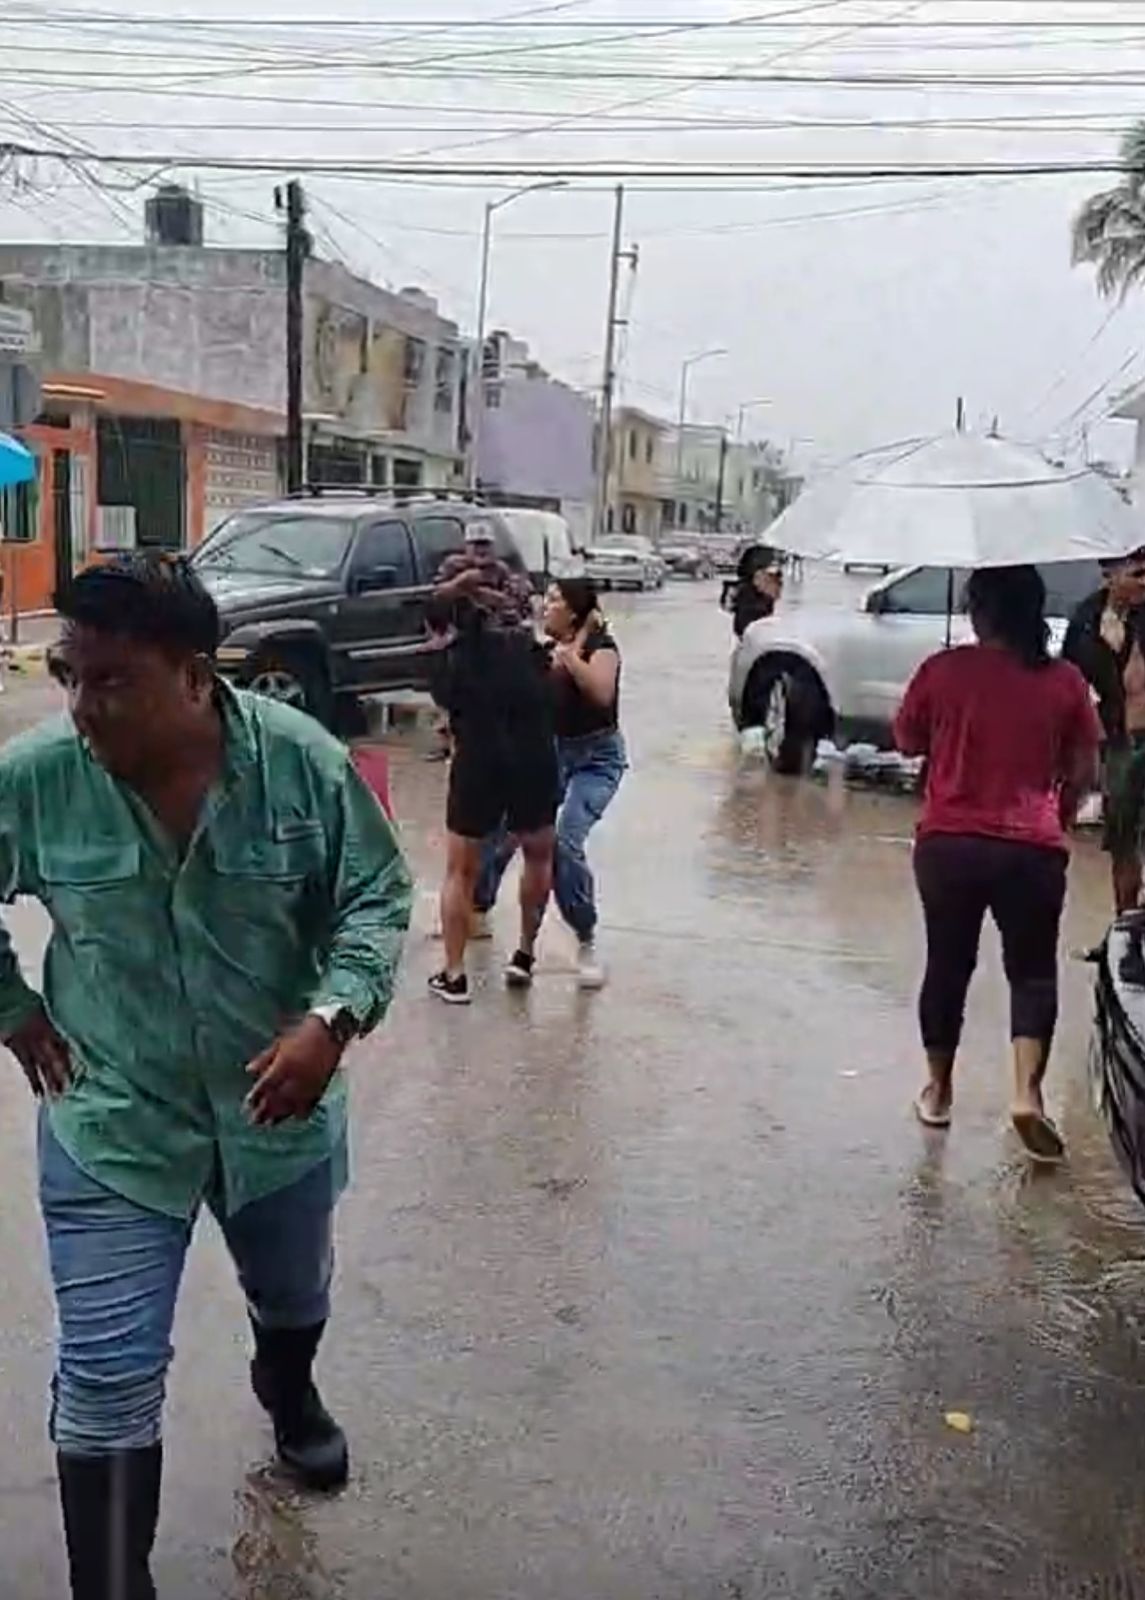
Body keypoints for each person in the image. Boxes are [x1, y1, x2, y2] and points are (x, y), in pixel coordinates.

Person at [0, 554, 411, 1599]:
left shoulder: (304, 763)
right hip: (111, 1119)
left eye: (112, 681)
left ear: (191, 675)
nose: (83, 706)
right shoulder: (37, 778)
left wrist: (331, 1019)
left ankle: (289, 1389)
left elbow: (374, 894)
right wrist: (11, 1008)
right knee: (105, 1377)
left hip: (277, 1114)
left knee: (292, 1292)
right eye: (71, 676)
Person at [894, 565, 1101, 1165]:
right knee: (1032, 973)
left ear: (978, 611)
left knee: (947, 965)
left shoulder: (943, 669)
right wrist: (1059, 812)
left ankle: (938, 1093)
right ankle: (1026, 1094)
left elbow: (906, 740)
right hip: (1031, 847)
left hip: (949, 843)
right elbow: (1085, 767)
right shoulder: (1064, 681)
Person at [427, 522, 557, 1004]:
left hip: (485, 743)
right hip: (528, 742)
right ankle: (522, 956)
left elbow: (435, 632)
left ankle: (457, 972)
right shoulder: (515, 612)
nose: (478, 556)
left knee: (461, 866)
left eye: (483, 547)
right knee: (536, 851)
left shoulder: (469, 619)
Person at [474, 578, 627, 989]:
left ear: (575, 611)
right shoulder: (545, 650)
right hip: (551, 751)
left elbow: (600, 693)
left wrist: (575, 649)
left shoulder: (603, 649)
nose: (546, 605)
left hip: (596, 760)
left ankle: (585, 939)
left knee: (564, 842)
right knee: (504, 831)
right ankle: (478, 908)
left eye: (556, 600)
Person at [1062, 549, 1145, 917]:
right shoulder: (1087, 618)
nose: (1144, 582)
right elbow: (1070, 677)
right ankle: (1124, 922)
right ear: (1110, 575)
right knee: (1122, 838)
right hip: (1117, 739)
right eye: (1137, 573)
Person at [721, 543, 783, 638]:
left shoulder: (759, 600)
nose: (779, 583)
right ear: (757, 577)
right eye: (772, 576)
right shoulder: (752, 605)